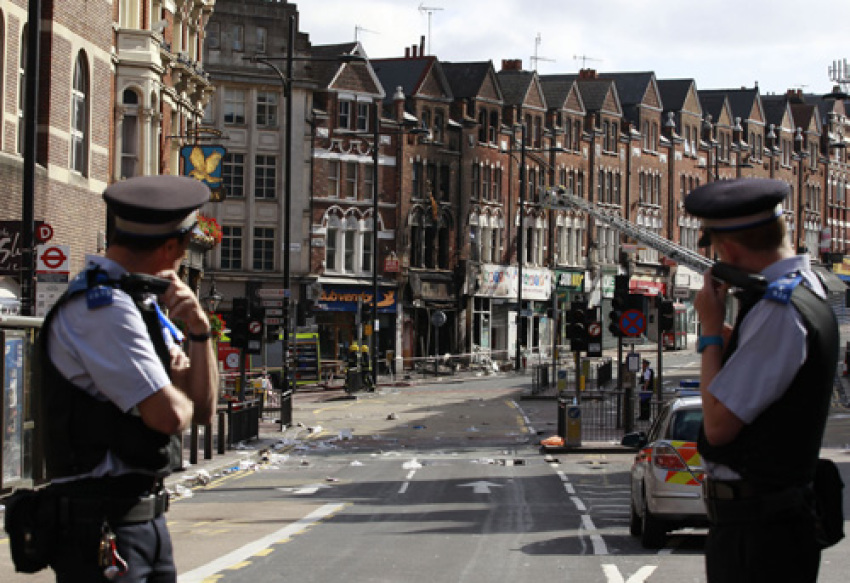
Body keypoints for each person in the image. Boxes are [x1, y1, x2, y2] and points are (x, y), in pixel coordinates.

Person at [39, 175, 219, 581]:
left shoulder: (142, 305)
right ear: (171, 246)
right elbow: (170, 418)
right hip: (104, 524)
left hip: (141, 519)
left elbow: (204, 410)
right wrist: (174, 390)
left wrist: (199, 328)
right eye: (184, 247)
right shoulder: (104, 310)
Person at [686, 178, 839, 583]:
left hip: (759, 533)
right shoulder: (807, 288)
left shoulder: (778, 310)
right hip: (772, 525)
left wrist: (710, 332)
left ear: (730, 249)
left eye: (717, 250)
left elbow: (719, 426)